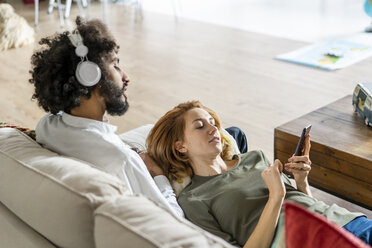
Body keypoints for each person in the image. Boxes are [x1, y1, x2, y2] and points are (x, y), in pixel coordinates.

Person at [28, 16, 249, 219]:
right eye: (115, 65)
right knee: (235, 135)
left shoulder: (48, 126)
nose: (126, 76)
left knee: (233, 134)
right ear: (90, 75)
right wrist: (158, 173)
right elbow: (173, 221)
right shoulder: (121, 160)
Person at [145, 100, 372, 247]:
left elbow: (305, 204)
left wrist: (301, 183)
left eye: (213, 123)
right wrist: (275, 197)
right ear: (180, 146)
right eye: (200, 125)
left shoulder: (255, 157)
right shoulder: (193, 199)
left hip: (345, 220)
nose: (214, 129)